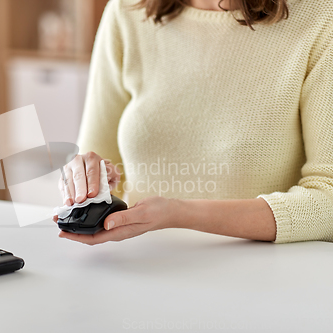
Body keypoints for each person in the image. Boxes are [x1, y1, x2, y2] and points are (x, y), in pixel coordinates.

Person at [55, 0, 333, 245]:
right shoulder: (127, 10)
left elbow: (327, 199)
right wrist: (85, 178)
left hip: (265, 280)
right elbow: (99, 162)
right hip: (142, 267)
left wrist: (178, 214)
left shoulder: (320, 15)